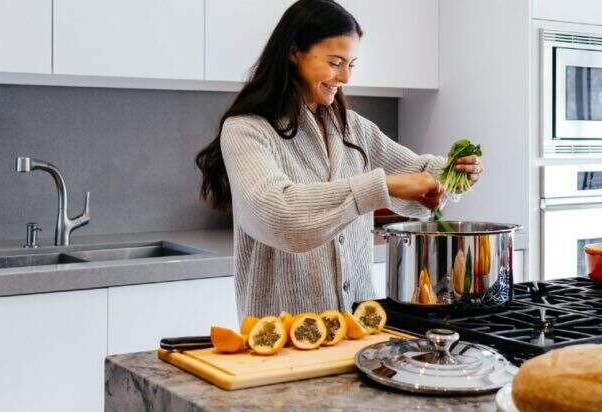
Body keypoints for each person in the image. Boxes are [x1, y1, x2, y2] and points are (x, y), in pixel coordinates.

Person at [195, 0, 482, 317]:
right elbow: (280, 215)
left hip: (359, 329)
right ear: (294, 53)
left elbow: (417, 173)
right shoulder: (247, 131)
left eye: (351, 64)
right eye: (335, 62)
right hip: (282, 337)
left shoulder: (352, 128)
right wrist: (380, 186)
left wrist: (455, 173)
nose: (345, 76)